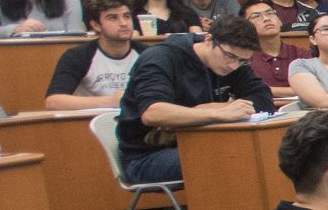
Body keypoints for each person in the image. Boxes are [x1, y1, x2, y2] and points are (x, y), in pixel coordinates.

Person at [116, 15, 275, 182]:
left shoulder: (234, 61)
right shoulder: (160, 57)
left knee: (261, 150)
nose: (234, 66)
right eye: (230, 57)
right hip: (146, 155)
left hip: (199, 142)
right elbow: (152, 113)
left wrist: (215, 108)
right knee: (228, 158)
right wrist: (218, 113)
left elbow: (263, 99)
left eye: (243, 61)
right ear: (208, 39)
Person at [44, 0, 144, 110]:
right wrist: (111, 101)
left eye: (126, 16)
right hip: (92, 124)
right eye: (113, 18)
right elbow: (53, 102)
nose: (124, 23)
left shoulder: (148, 54)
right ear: (96, 25)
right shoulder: (78, 56)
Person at [243, 0, 311, 90]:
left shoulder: (301, 54)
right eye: (256, 16)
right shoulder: (244, 58)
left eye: (270, 13)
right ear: (245, 26)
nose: (266, 19)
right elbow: (247, 90)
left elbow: (314, 88)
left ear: (279, 21)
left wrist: (266, 90)